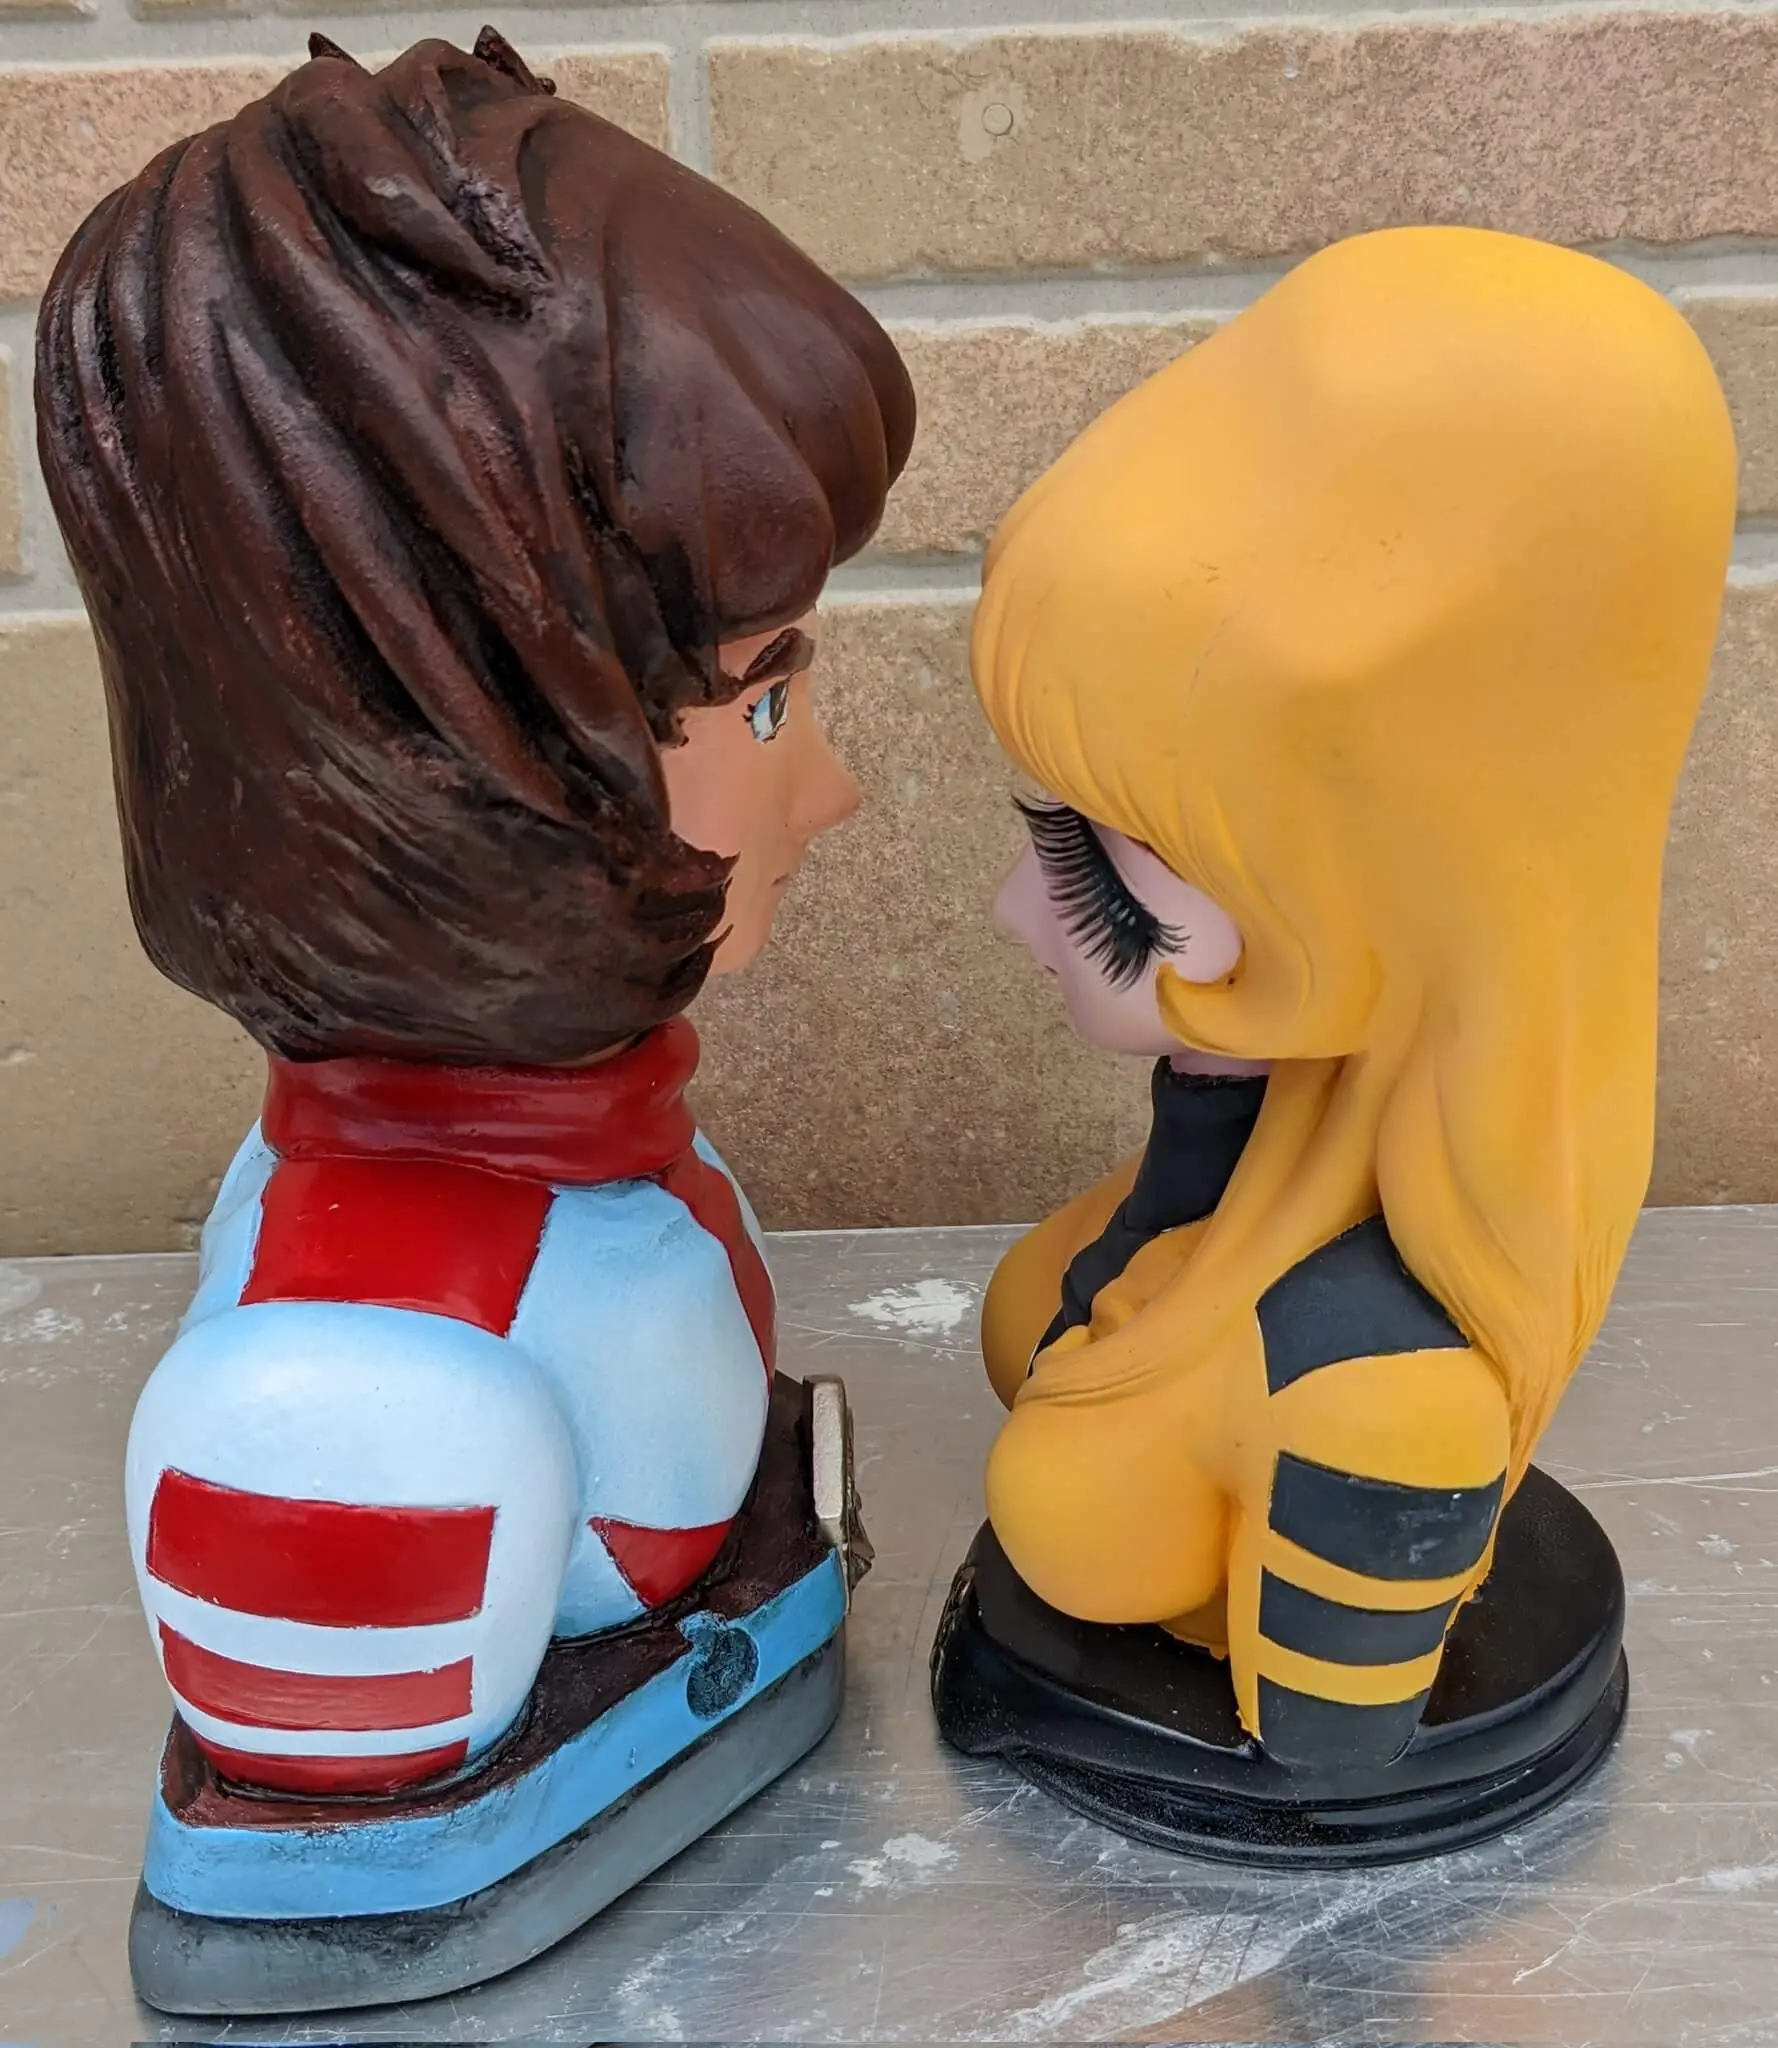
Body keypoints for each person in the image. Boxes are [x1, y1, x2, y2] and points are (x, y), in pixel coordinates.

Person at [37, 28, 913, 1800]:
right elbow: (323, 1843)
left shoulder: (569, 1187)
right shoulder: (363, 1403)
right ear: (454, 745)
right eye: (760, 700)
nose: (831, 791)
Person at [969, 226, 1732, 1769]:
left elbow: (1330, 1758)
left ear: (1385, 910)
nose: (1014, 918)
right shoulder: (1233, 1170)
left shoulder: (1373, 1396)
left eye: (1100, 876)